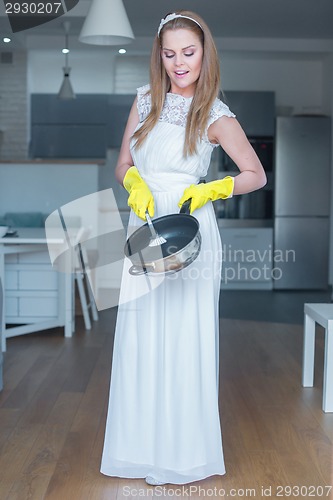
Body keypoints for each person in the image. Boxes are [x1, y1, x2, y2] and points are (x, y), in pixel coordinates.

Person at [100, 10, 267, 486]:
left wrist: (212, 189)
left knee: (182, 336)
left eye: (188, 53)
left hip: (189, 226)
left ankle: (181, 455)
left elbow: (255, 174)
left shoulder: (215, 112)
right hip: (146, 220)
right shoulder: (144, 100)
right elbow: (123, 163)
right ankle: (136, 450)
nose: (179, 63)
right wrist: (132, 181)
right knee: (139, 334)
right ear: (159, 55)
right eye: (169, 53)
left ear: (204, 54)